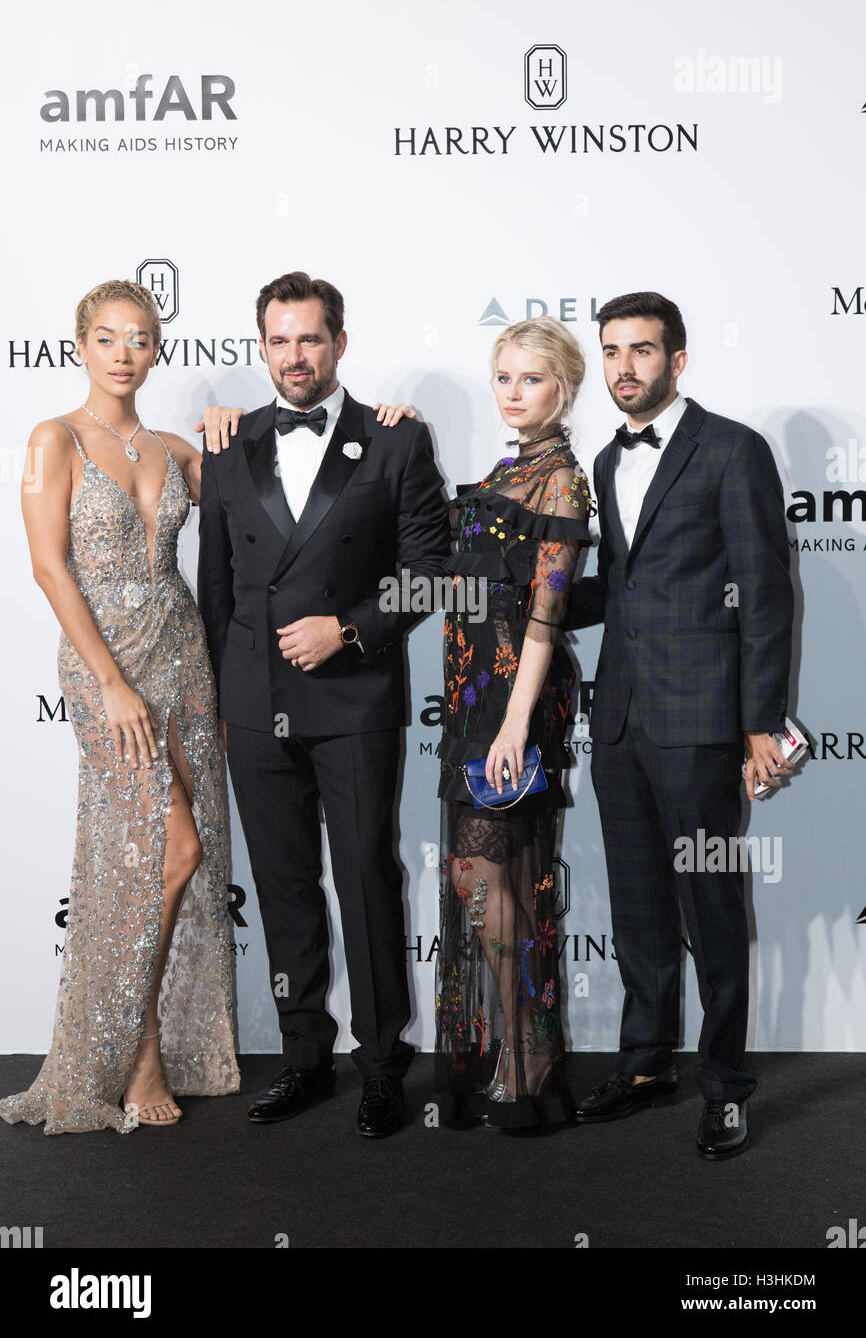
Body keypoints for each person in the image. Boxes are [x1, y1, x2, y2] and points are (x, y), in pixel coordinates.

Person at [197, 270, 450, 1139]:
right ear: (260, 346)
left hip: (353, 698)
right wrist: (230, 694)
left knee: (367, 880)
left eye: (310, 338)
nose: (294, 355)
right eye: (279, 340)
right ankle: (305, 1057)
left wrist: (347, 630)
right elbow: (217, 589)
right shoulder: (227, 447)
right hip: (253, 704)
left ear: (340, 342)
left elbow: (427, 574)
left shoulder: (396, 444)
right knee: (282, 886)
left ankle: (383, 1065)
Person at [0, 279, 241, 1134]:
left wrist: (235, 436)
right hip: (107, 666)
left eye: (140, 339)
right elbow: (48, 567)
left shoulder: (177, 450)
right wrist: (107, 682)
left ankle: (159, 1042)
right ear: (81, 346)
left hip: (184, 658)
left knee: (184, 849)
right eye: (108, 338)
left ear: (157, 349)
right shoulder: (52, 439)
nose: (124, 353)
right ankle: (135, 1051)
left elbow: (273, 514)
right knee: (166, 851)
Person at [565, 291, 794, 1158]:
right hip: (619, 716)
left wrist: (761, 721)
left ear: (678, 359)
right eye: (613, 351)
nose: (626, 367)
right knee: (638, 907)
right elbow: (621, 588)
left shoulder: (733, 450)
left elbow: (765, 596)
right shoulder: (600, 460)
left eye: (643, 351)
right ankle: (646, 1059)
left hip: (702, 721)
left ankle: (727, 1085)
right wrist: (526, 593)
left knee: (712, 908)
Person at [435, 317, 594, 1129]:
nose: (514, 393)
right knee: (477, 881)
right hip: (472, 697)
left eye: (531, 380)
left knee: (502, 882)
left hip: (515, 697)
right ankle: (508, 1056)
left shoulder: (562, 480)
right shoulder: (508, 466)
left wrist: (517, 724)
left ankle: (529, 1072)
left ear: (563, 388)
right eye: (504, 378)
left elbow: (546, 614)